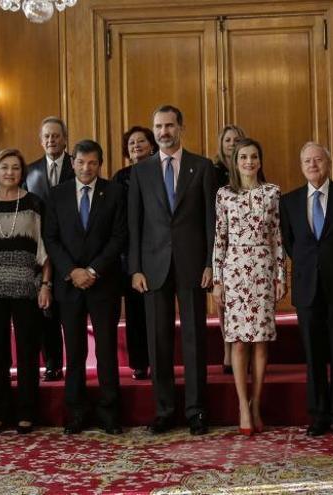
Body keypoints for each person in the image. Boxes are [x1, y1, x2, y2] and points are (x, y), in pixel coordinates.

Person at [128, 104, 217, 435]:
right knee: (158, 341)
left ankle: (196, 410)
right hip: (152, 267)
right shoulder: (140, 172)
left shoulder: (202, 167)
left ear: (181, 128)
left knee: (195, 339)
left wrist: (211, 262)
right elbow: (134, 224)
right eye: (158, 126)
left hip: (193, 265)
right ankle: (164, 410)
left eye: (169, 125)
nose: (163, 132)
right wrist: (135, 268)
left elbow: (211, 221)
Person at [279, 142, 333, 437]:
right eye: (307, 161)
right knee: (313, 355)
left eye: (317, 159)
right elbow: (291, 244)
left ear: (328, 163)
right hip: (307, 288)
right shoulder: (288, 201)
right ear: (301, 166)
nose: (312, 165)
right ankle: (318, 415)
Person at [44, 139, 127, 435]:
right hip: (69, 285)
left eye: (92, 163)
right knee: (74, 351)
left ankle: (109, 412)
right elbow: (51, 238)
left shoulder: (115, 192)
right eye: (80, 162)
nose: (86, 168)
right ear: (72, 163)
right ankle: (76, 412)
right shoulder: (56, 195)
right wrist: (72, 271)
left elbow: (119, 237)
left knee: (106, 350)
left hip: (103, 283)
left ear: (100, 164)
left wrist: (92, 270)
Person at [0, 148, 51, 436]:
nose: (10, 173)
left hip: (27, 288)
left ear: (22, 172)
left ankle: (27, 412)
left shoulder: (34, 203)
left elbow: (45, 250)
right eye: (4, 167)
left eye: (15, 168)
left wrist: (45, 285)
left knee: (28, 352)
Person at [212, 138, 284, 435]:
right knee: (239, 342)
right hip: (234, 272)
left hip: (263, 269)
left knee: (261, 342)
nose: (249, 162)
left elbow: (278, 237)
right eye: (243, 157)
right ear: (235, 161)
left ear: (260, 160)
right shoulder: (224, 195)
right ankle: (242, 405)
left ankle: (257, 402)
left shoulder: (272, 193)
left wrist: (281, 276)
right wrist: (217, 279)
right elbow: (219, 238)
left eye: (254, 156)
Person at [26, 116, 75, 383]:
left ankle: (75, 361)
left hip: (71, 248)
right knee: (46, 311)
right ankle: (53, 363)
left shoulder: (77, 164)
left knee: (68, 310)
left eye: (55, 136)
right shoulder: (30, 171)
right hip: (40, 249)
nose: (51, 140)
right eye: (46, 136)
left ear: (65, 138)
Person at [111, 125, 158, 381]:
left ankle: (159, 360)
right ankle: (139, 363)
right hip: (131, 253)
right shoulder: (121, 177)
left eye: (141, 141)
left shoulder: (161, 171)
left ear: (151, 145)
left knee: (157, 311)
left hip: (158, 249)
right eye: (131, 143)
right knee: (135, 311)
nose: (136, 146)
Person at [213, 125, 246, 375]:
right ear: (221, 144)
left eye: (237, 139)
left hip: (246, 245)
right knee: (224, 299)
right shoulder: (212, 172)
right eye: (228, 140)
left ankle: (243, 347)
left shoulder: (250, 166)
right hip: (220, 240)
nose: (232, 143)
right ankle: (227, 347)